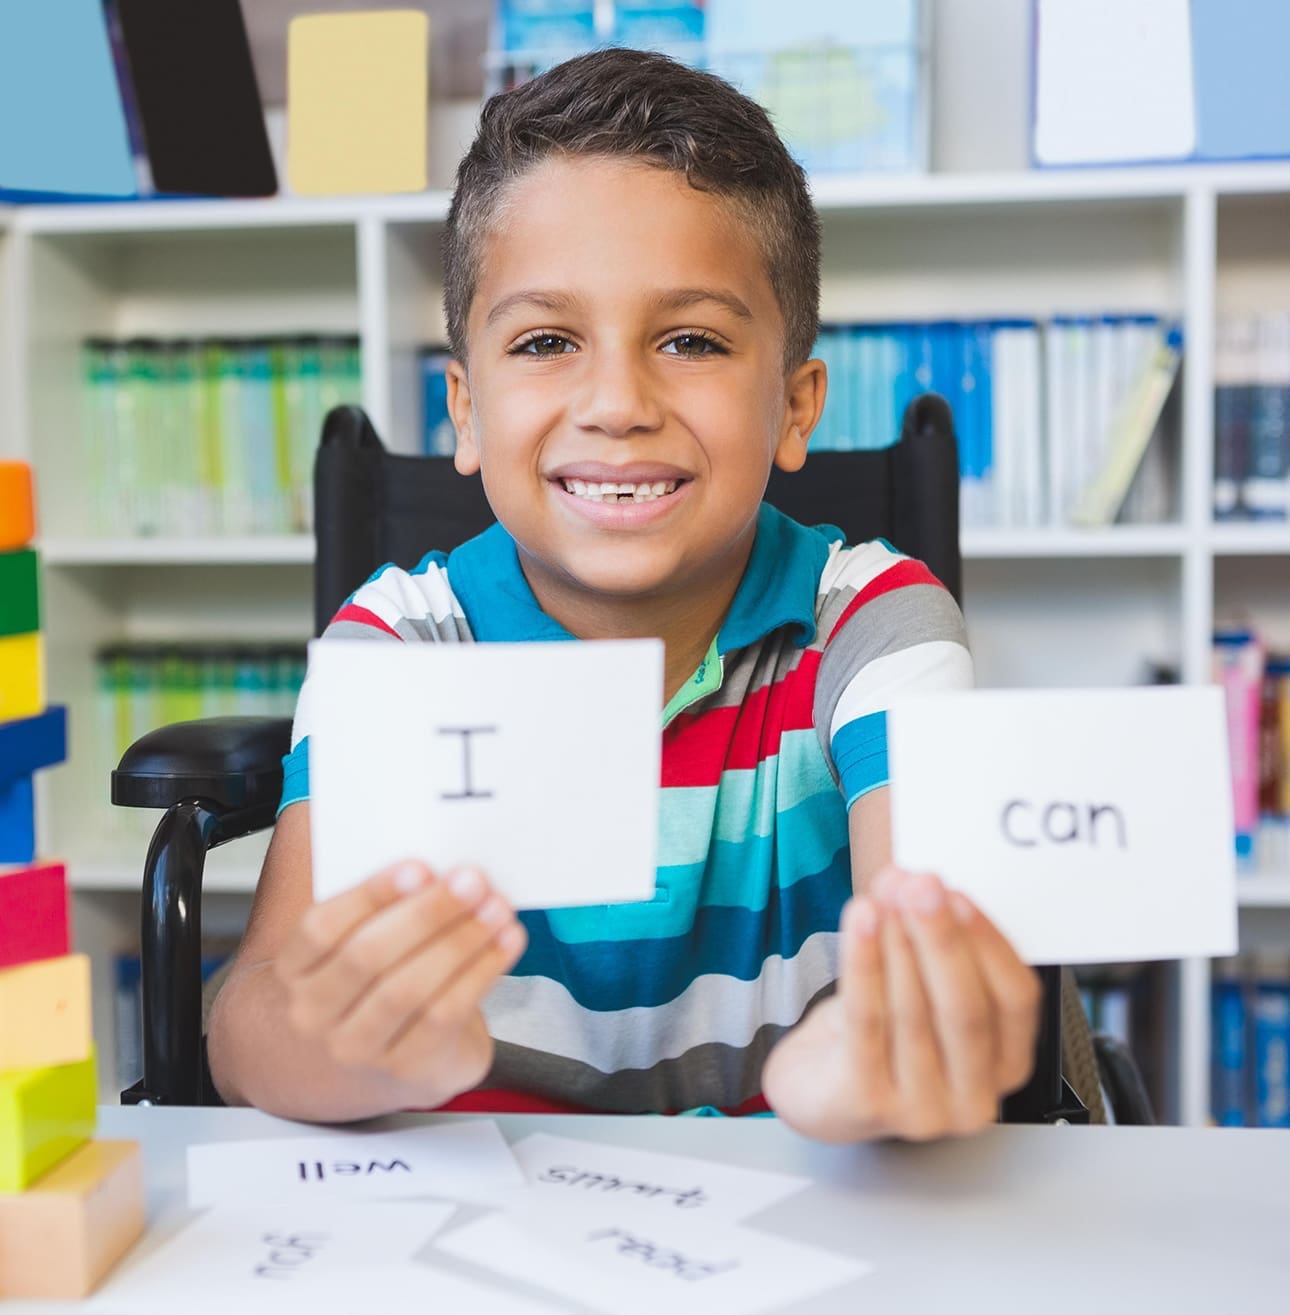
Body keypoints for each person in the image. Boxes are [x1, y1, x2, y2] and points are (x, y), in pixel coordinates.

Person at [208, 48, 1040, 1141]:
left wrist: (880, 1059)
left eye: (689, 340)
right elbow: (248, 1024)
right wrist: (340, 1047)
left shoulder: (876, 626)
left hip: (814, 1198)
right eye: (547, 341)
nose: (616, 402)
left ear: (794, 407)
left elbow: (938, 962)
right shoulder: (399, 649)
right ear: (463, 408)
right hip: (467, 1217)